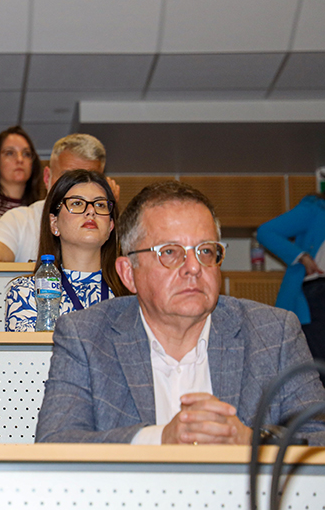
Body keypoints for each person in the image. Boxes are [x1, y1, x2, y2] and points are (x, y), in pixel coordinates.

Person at [35, 181, 325, 445]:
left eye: (205, 251)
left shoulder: (274, 333)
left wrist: (251, 442)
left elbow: (318, 438)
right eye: (170, 252)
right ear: (128, 273)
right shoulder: (86, 336)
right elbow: (55, 442)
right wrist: (159, 439)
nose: (194, 267)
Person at [5, 170, 128, 331]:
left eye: (100, 205)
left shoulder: (130, 293)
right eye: (77, 203)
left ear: (111, 226)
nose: (91, 211)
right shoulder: (27, 292)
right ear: (54, 223)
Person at [0, 133, 119, 263]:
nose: (78, 189)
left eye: (89, 179)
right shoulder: (19, 220)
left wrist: (109, 212)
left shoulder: (107, 223)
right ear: (47, 177)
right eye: (67, 178)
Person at [258, 193, 325, 362]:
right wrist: (302, 257)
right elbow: (266, 231)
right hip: (317, 292)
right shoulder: (316, 209)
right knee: (316, 363)